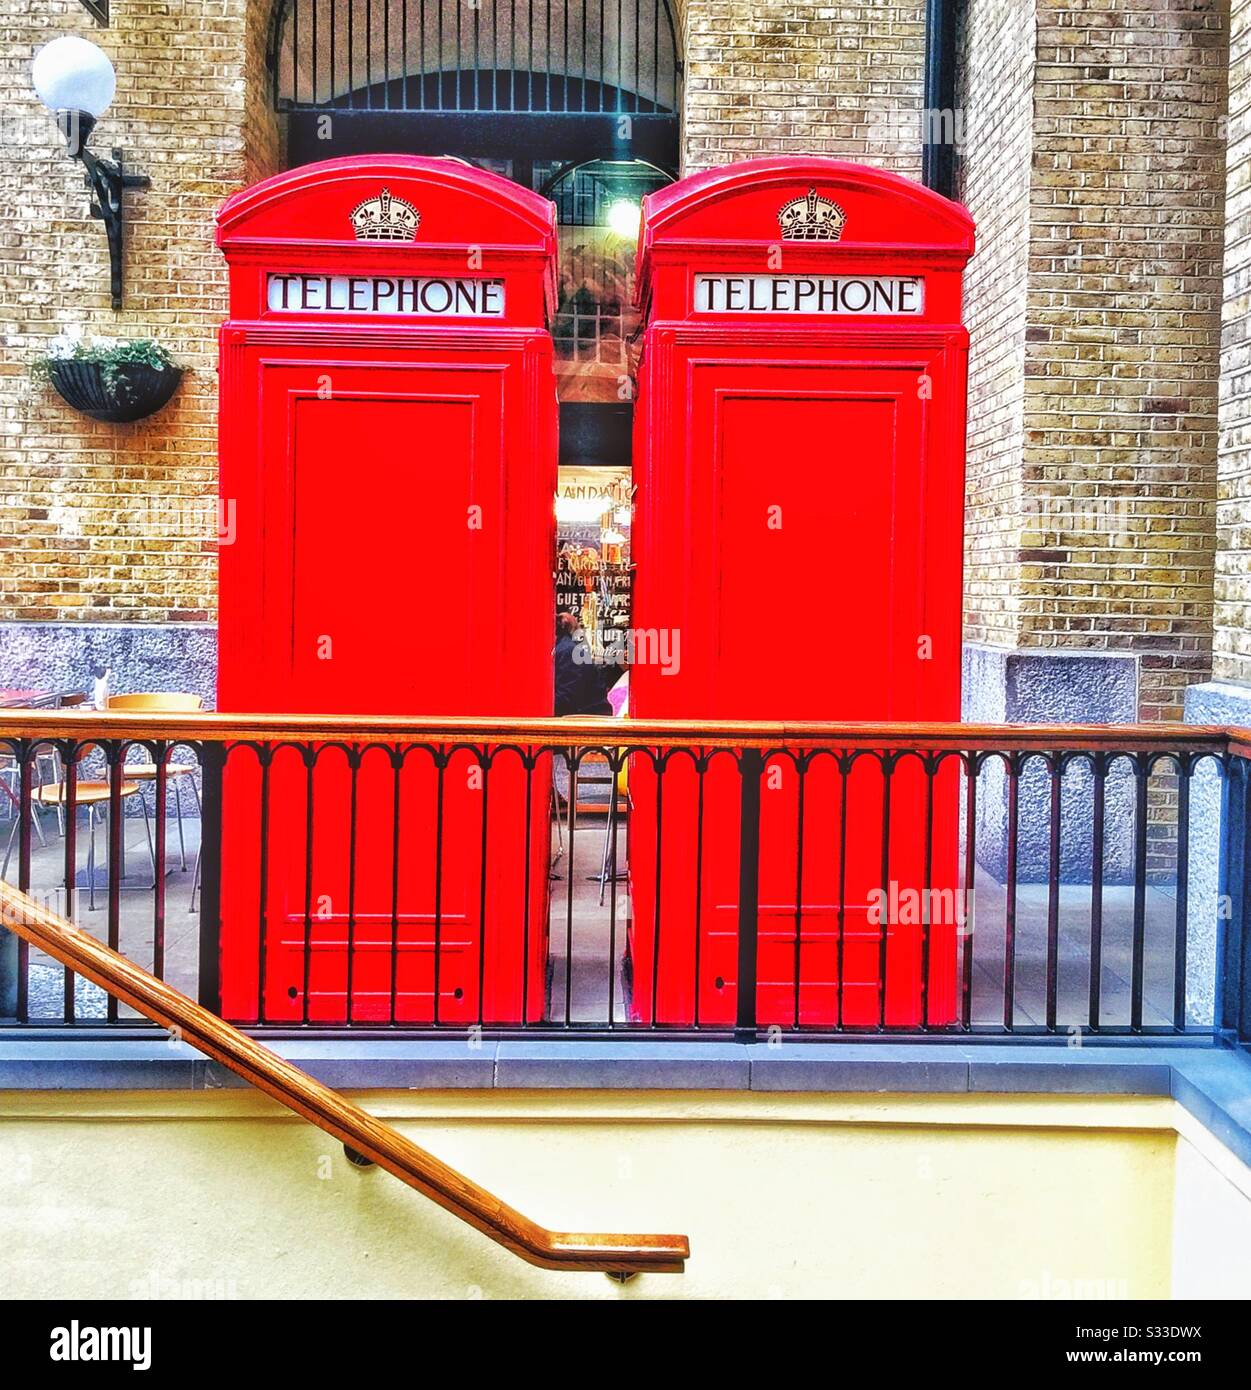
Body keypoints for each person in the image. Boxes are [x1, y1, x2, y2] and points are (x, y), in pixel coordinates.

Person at [554, 611, 621, 716]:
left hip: (588, 721)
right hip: (584, 718)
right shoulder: (566, 649)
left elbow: (566, 699)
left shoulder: (568, 652)